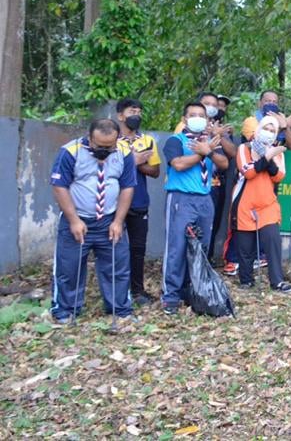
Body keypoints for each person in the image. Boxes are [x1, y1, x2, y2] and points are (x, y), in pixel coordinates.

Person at [49, 119, 136, 325]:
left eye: (109, 147)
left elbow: (127, 187)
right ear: (90, 138)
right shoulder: (70, 152)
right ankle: (65, 310)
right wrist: (73, 220)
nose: (104, 151)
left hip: (109, 219)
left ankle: (120, 309)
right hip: (79, 219)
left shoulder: (123, 153)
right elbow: (59, 186)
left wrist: (118, 221)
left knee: (117, 266)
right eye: (99, 146)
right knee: (69, 267)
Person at [161, 102, 229, 315]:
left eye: (201, 115)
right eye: (193, 114)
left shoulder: (209, 142)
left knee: (201, 247)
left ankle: (192, 290)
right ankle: (170, 295)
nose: (198, 118)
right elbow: (178, 164)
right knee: (177, 247)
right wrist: (201, 153)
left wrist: (208, 151)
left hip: (205, 199)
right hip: (182, 198)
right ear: (184, 119)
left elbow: (224, 163)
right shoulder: (175, 140)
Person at [231, 115, 291, 292]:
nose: (268, 132)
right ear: (258, 129)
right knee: (245, 248)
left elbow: (278, 176)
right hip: (244, 204)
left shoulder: (278, 151)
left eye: (273, 130)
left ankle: (277, 281)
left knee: (272, 242)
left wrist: (268, 158)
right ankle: (246, 280)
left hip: (268, 205)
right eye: (266, 128)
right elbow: (248, 172)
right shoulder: (244, 148)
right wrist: (267, 157)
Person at [115, 98, 161, 306]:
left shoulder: (148, 140)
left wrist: (139, 163)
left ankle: (137, 290)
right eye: (132, 111)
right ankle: (116, 291)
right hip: (113, 204)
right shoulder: (111, 139)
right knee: (113, 247)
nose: (136, 114)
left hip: (139, 201)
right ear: (120, 116)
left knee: (137, 248)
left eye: (139, 111)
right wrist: (130, 160)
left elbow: (155, 171)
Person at [196, 92, 237, 262]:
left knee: (212, 225)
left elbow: (231, 154)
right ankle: (192, 264)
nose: (217, 109)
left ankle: (207, 261)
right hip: (193, 185)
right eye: (212, 104)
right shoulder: (189, 125)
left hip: (216, 183)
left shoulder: (220, 129)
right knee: (193, 228)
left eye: (221, 106)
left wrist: (217, 134)